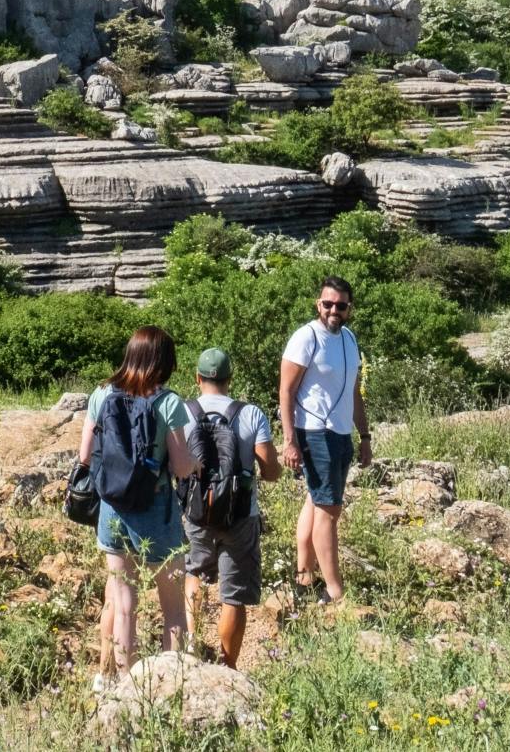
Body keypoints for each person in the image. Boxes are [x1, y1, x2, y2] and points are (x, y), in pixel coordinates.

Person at [78, 325, 199, 679]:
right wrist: (196, 462)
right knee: (173, 608)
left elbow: (84, 456)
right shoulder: (169, 403)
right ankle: (168, 684)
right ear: (165, 362)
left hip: (113, 509)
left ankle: (124, 684)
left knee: (123, 603)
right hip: (156, 511)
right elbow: (179, 466)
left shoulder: (101, 394)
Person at [181, 347, 280, 667]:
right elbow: (272, 472)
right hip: (240, 515)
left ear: (198, 378)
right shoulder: (251, 414)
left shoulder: (183, 412)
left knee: (193, 572)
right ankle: (228, 665)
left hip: (195, 513)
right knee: (233, 595)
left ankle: (192, 645)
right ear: (230, 379)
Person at [279, 276, 371, 603]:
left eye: (340, 305)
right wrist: (289, 440)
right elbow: (286, 392)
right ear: (318, 303)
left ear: (349, 308)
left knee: (316, 502)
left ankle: (304, 578)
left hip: (341, 433)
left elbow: (354, 393)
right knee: (329, 511)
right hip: (315, 433)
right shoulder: (306, 337)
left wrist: (365, 436)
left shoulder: (348, 338)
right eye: (327, 303)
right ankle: (335, 591)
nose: (334, 310)